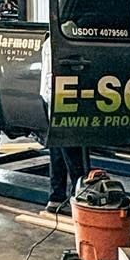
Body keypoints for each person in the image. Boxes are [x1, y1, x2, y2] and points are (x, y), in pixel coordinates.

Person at [39, 34, 87, 212]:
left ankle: (56, 196)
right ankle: (80, 196)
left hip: (52, 96)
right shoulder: (67, 39)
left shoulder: (53, 39)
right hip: (63, 95)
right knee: (71, 149)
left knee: (58, 148)